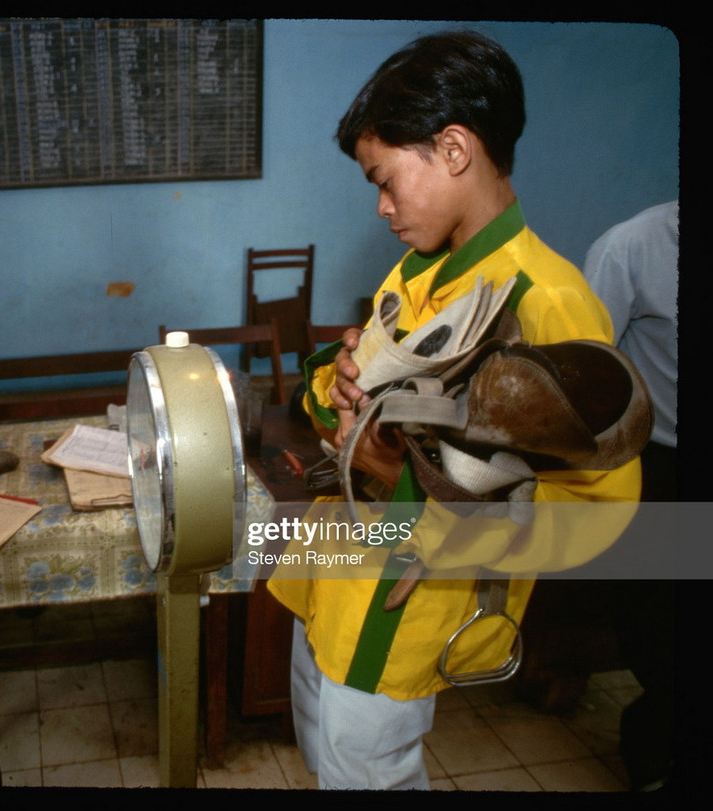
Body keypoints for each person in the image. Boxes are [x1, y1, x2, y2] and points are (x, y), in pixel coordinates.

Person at [266, 30, 642, 790]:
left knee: (364, 767)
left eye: (386, 179)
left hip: (397, 606)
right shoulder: (417, 271)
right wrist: (334, 383)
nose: (380, 207)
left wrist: (394, 472)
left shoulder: (546, 300)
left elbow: (596, 510)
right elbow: (344, 389)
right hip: (335, 574)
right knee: (324, 749)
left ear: (454, 150)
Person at [583, 200, 678, 791]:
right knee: (662, 629)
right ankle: (654, 758)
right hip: (663, 464)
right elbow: (586, 376)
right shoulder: (632, 248)